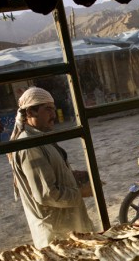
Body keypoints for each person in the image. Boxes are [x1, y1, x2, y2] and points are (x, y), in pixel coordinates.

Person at [8, 86, 94, 249]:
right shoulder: (29, 146)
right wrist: (82, 192)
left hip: (68, 231)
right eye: (47, 110)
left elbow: (50, 175)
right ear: (30, 113)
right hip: (57, 238)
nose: (53, 115)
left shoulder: (40, 137)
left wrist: (73, 176)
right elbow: (47, 195)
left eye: (53, 109)